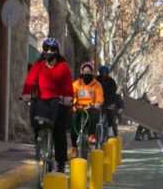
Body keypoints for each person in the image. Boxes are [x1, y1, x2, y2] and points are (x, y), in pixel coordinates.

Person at [21, 37, 74, 173]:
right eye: (46, 49)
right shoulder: (38, 65)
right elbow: (30, 81)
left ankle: (60, 162)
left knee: (59, 132)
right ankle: (41, 145)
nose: (49, 52)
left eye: (52, 49)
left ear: (57, 51)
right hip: (42, 101)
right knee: (36, 120)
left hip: (59, 102)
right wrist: (26, 93)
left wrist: (68, 97)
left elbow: (68, 86)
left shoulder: (63, 67)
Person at [70, 61, 103, 157]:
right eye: (85, 72)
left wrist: (95, 104)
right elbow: (72, 95)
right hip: (79, 108)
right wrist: (73, 104)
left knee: (95, 114)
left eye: (88, 72)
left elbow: (99, 99)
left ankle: (92, 135)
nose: (86, 74)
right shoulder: (76, 84)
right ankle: (74, 147)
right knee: (73, 121)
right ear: (81, 72)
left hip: (91, 107)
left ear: (92, 73)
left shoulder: (97, 85)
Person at [96, 65, 120, 137]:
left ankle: (110, 130)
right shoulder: (96, 80)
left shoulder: (111, 81)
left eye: (105, 72)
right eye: (102, 72)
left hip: (108, 101)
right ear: (100, 72)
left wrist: (111, 103)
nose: (103, 73)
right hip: (98, 101)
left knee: (110, 114)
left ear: (107, 73)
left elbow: (113, 92)